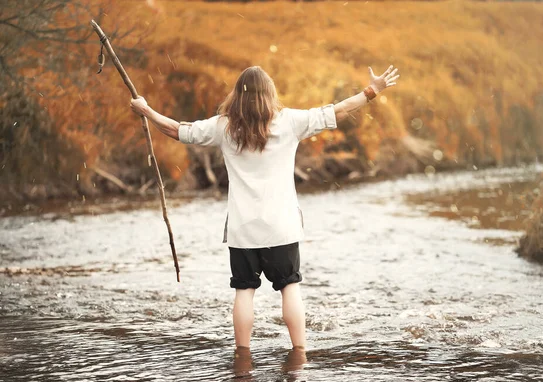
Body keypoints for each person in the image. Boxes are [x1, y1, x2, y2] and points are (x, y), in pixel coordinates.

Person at [130, 65, 399, 350]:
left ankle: (243, 356)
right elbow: (340, 111)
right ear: (270, 94)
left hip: (242, 230)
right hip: (280, 228)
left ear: (237, 95)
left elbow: (176, 130)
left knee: (244, 292)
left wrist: (146, 110)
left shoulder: (223, 127)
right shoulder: (290, 122)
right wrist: (373, 90)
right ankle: (300, 353)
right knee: (290, 288)